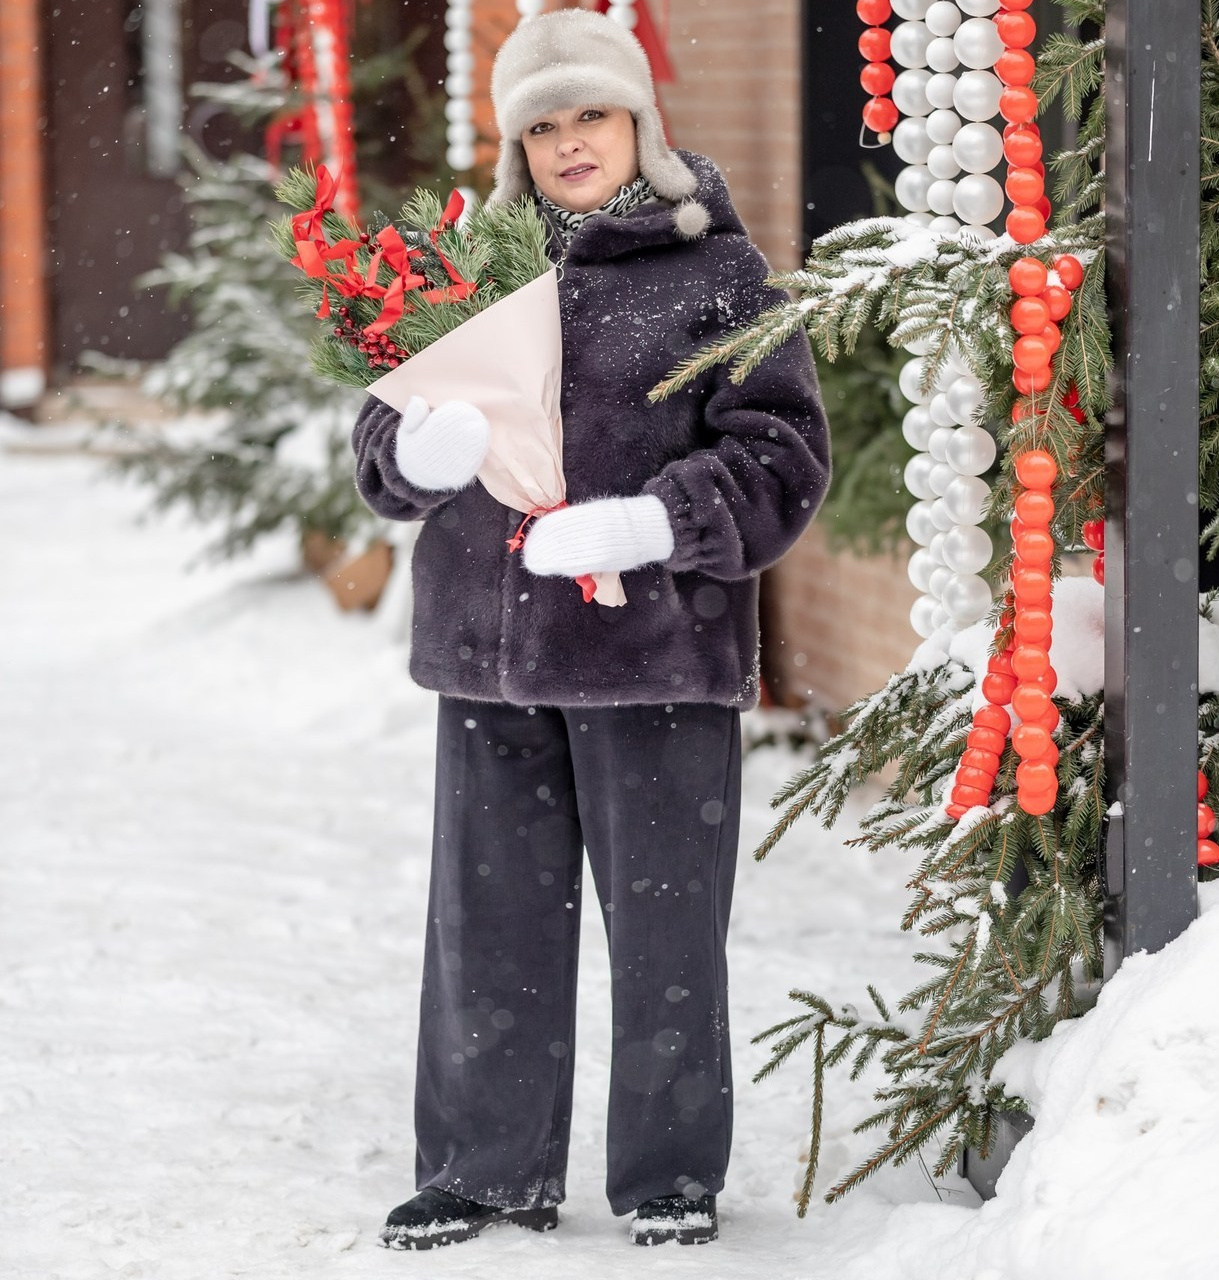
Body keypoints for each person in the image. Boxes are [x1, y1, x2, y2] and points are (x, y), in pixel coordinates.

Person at [351, 8, 830, 1251]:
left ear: (638, 124)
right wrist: (413, 447)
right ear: (517, 142)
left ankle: (668, 1172)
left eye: (591, 116)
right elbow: (378, 443)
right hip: (490, 653)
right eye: (544, 123)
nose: (570, 142)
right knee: (488, 918)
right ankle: (478, 1166)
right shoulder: (468, 268)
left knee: (667, 924)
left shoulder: (718, 272)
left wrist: (651, 525)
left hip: (655, 654)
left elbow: (780, 457)